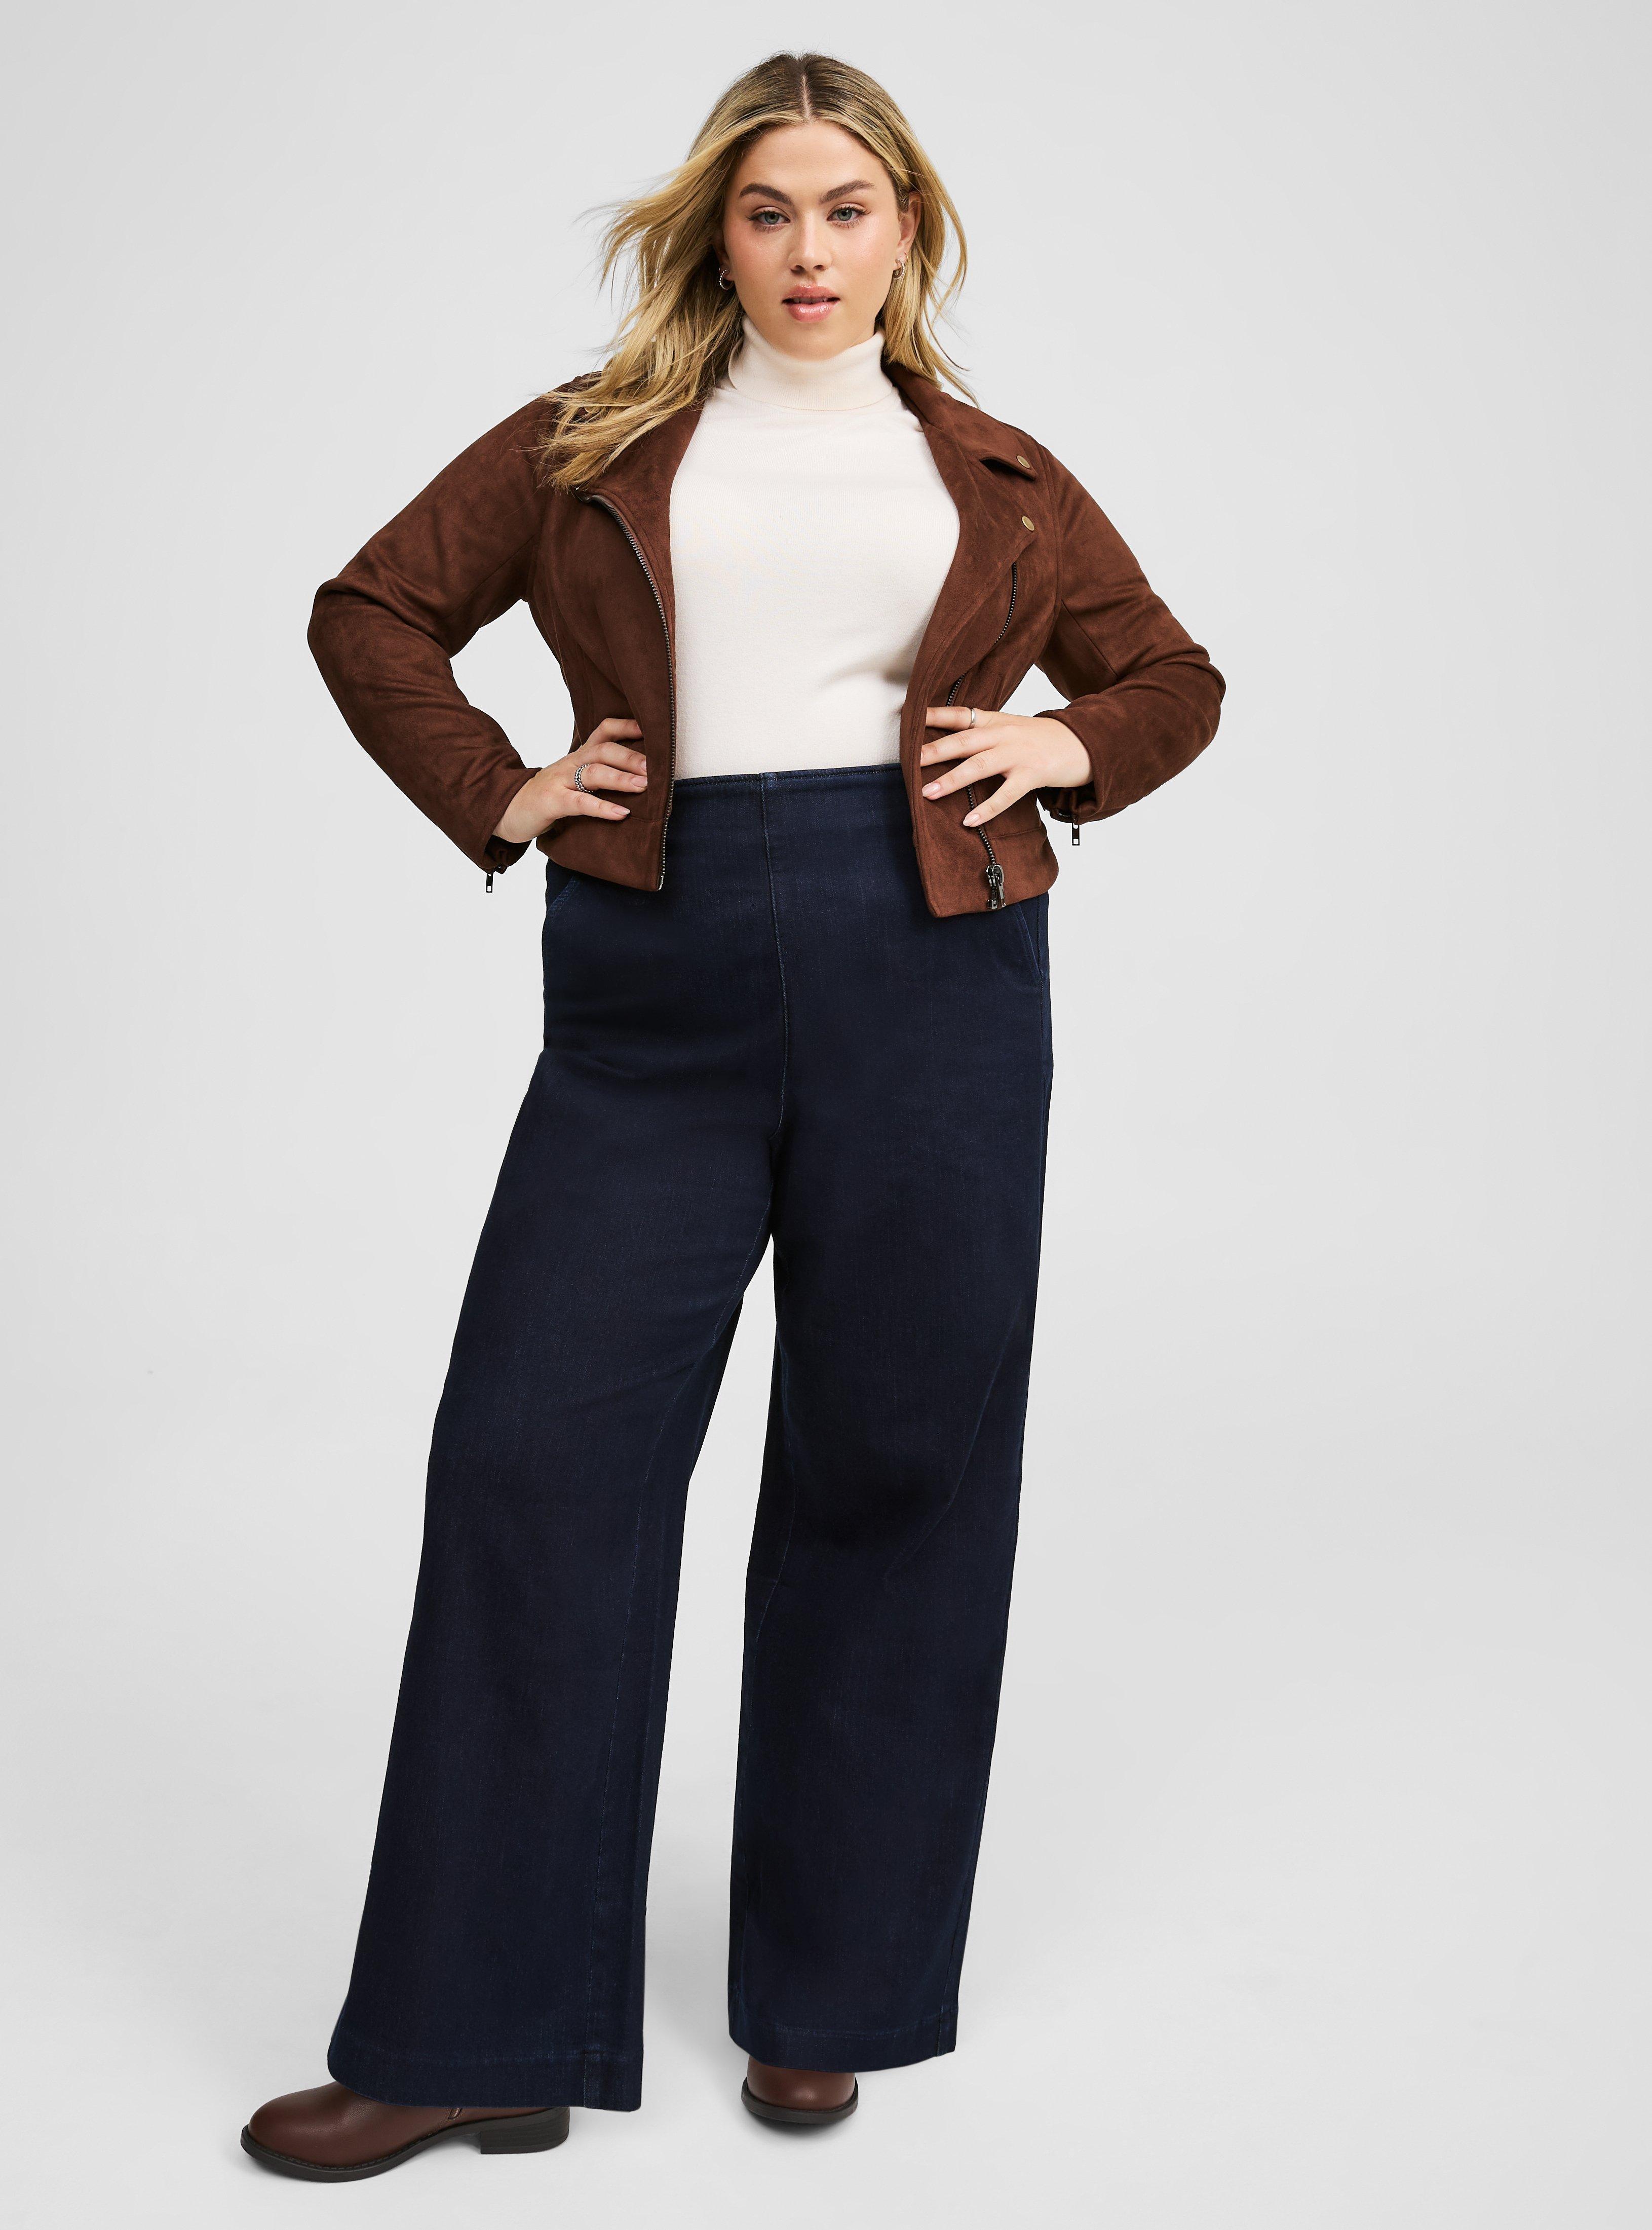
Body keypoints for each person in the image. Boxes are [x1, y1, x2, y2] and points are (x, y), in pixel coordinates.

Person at [242, 49, 1224, 2181]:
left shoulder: (1001, 472)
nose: (807, 249)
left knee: (896, 1466)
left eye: (846, 209)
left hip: (935, 973)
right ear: (721, 232)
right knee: (532, 1460)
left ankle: (831, 1997)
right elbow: (372, 610)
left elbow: (1173, 679)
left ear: (905, 229)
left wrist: (1062, 752)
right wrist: (505, 786)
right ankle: (474, 2032)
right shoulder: (591, 442)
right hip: (651, 987)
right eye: (769, 210)